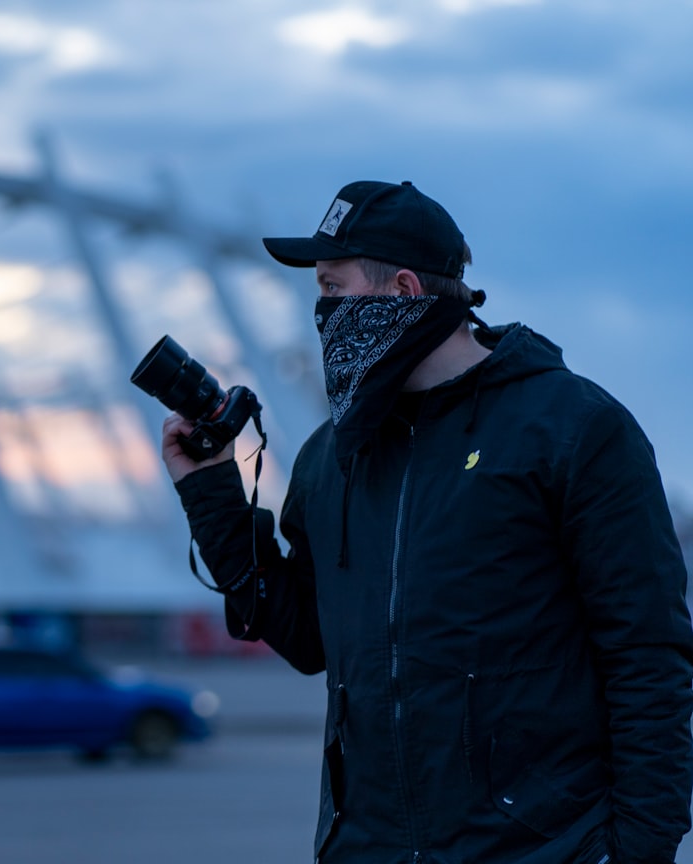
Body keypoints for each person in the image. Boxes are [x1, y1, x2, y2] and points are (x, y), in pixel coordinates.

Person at [160, 180, 693, 864]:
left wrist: (638, 852)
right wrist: (210, 493)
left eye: (332, 287)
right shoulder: (332, 456)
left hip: (542, 850)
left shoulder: (573, 430)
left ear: (404, 292)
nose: (321, 313)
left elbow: (648, 658)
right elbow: (308, 640)